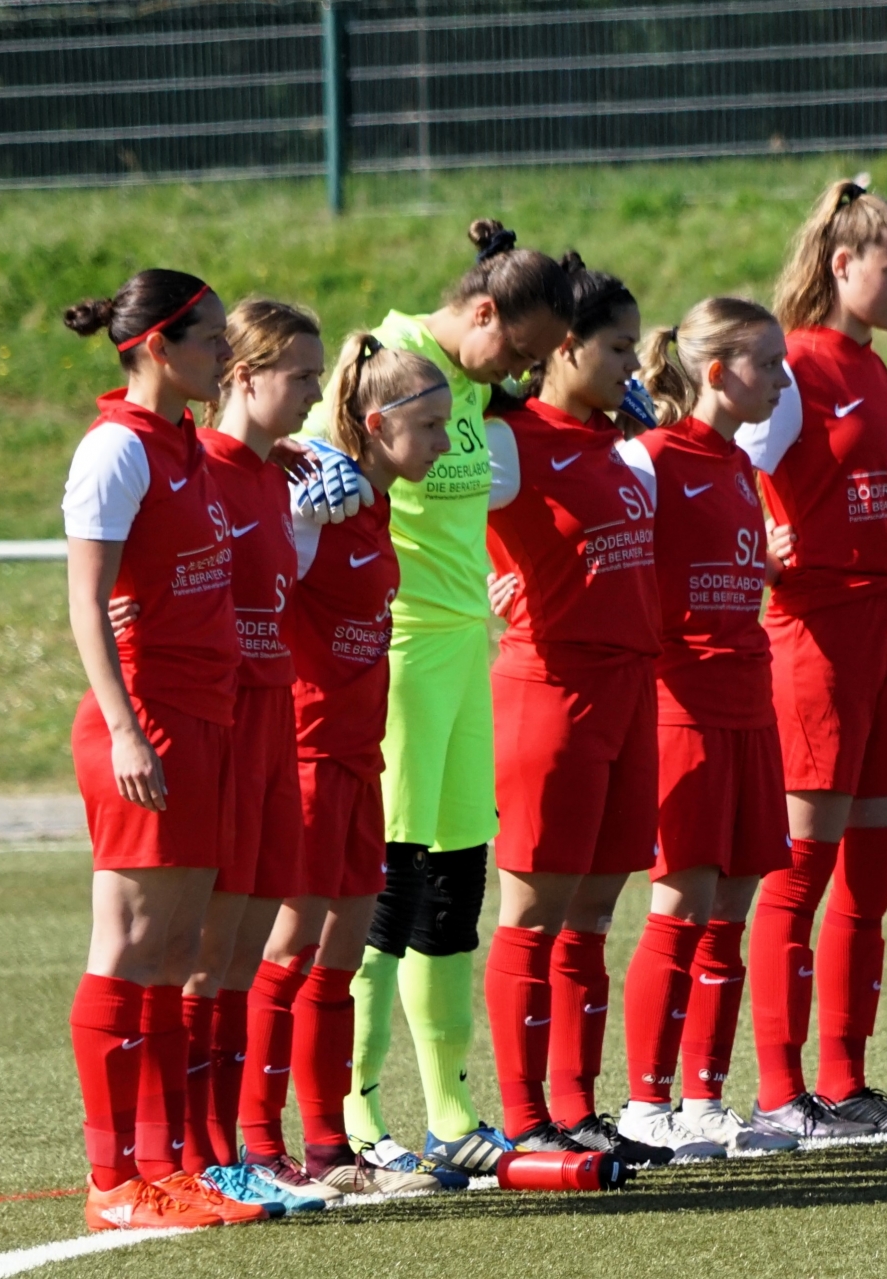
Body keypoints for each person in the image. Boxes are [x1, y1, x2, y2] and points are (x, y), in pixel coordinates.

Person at [304, 220, 574, 1180]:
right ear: (483, 313)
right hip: (403, 653)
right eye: (521, 353)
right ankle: (357, 1111)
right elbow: (307, 460)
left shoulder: (476, 380)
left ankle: (452, 1110)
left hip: (468, 651)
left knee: (458, 879)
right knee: (393, 881)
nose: (525, 375)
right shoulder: (387, 363)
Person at [61, 269, 268, 1229]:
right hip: (148, 719)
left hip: (205, 714)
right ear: (157, 347)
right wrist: (124, 727)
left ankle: (159, 1168)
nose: (226, 353)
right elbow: (87, 601)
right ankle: (114, 1181)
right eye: (212, 337)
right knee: (129, 945)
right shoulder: (116, 448)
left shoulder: (186, 445)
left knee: (178, 948)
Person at [738, 179, 887, 1139]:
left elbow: (873, 490)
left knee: (874, 872)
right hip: (818, 632)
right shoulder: (795, 366)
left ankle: (845, 1082)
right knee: (802, 867)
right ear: (842, 264)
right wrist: (757, 541)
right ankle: (783, 1093)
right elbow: (721, 462)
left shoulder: (873, 366)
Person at [237, 332, 459, 1197]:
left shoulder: (370, 506)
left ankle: (330, 1150)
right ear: (377, 423)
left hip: (361, 759)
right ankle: (260, 1148)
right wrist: (299, 484)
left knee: (340, 959)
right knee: (289, 950)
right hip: (307, 754)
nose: (443, 442)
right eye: (429, 426)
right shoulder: (317, 502)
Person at [479, 255, 687, 1165]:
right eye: (618, 347)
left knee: (594, 914)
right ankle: (525, 1121)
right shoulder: (508, 438)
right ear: (562, 346)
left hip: (629, 692)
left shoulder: (618, 440)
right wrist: (482, 584)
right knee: (534, 913)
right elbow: (421, 516)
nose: (633, 365)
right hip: (551, 692)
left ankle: (575, 1109)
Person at [613, 297, 801, 1155]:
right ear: (718, 371)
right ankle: (644, 1103)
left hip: (749, 700)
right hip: (680, 704)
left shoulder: (737, 464)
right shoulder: (650, 458)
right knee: (682, 905)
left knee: (731, 908)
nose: (783, 379)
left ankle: (703, 1101)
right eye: (769, 363)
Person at [162, 301, 326, 1204]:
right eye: (299, 376)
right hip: (220, 722)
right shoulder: (203, 468)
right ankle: (192, 1156)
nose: (311, 393)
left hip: (276, 718)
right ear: (244, 375)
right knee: (209, 952)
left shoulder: (273, 474)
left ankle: (228, 1153)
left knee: (243, 955)